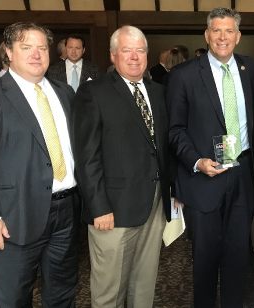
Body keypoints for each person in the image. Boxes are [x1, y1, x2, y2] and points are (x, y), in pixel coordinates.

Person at [0, 22, 79, 306]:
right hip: (12, 217)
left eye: (42, 47)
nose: (36, 54)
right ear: (9, 52)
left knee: (62, 292)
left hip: (66, 213)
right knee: (13, 298)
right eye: (26, 48)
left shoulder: (65, 94)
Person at [73, 25, 173, 308]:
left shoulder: (159, 92)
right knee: (109, 289)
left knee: (144, 283)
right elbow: (86, 155)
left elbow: (162, 147)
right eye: (126, 50)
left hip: (154, 204)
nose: (134, 57)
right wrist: (98, 207)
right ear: (113, 55)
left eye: (139, 50)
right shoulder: (93, 92)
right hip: (112, 209)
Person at [167, 7, 254, 307]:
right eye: (216, 31)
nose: (223, 37)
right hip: (204, 177)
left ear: (238, 36)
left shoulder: (252, 69)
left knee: (238, 258)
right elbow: (175, 129)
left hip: (242, 173)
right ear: (207, 35)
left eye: (229, 30)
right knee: (205, 261)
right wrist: (196, 161)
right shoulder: (184, 75)